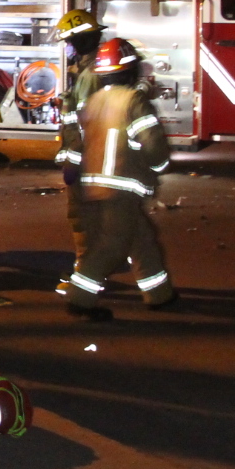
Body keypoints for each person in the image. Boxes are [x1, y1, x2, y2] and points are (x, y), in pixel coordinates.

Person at [60, 37, 177, 315]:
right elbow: (152, 144)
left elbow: (79, 143)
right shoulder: (134, 101)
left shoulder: (94, 101)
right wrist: (159, 167)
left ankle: (160, 295)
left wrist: (72, 171)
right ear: (130, 70)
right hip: (121, 189)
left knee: (142, 240)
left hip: (91, 187)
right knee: (111, 247)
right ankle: (79, 300)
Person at [50, 8, 105, 300]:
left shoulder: (89, 75)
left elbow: (85, 125)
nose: (67, 48)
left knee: (83, 221)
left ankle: (85, 280)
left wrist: (73, 160)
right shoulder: (93, 70)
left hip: (87, 160)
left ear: (80, 42)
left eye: (69, 42)